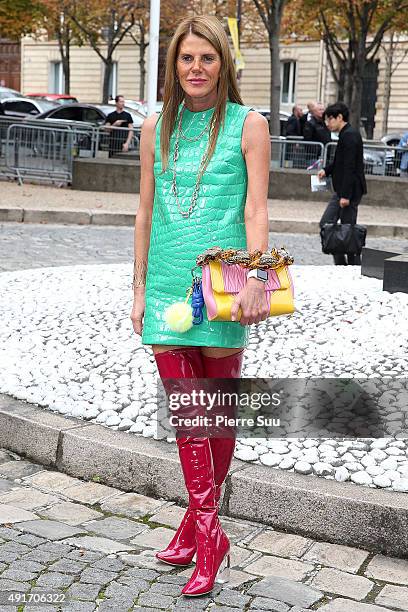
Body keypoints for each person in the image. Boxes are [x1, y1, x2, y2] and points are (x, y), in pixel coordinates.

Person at [130, 15, 270, 597]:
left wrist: (258, 278)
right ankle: (212, 537)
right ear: (173, 65)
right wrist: (138, 287)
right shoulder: (155, 127)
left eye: (206, 58)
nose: (196, 69)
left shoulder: (249, 125)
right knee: (191, 417)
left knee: (217, 419)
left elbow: (256, 211)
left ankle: (194, 523)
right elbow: (144, 211)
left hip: (224, 282)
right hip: (166, 283)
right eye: (186, 59)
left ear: (224, 63)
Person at [318, 101, 367, 265]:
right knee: (329, 224)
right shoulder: (346, 134)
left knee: (347, 228)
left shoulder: (350, 135)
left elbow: (350, 168)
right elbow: (340, 162)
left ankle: (353, 264)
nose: (327, 123)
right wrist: (327, 170)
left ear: (339, 117)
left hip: (349, 191)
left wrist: (345, 195)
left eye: (329, 119)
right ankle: (342, 262)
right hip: (342, 190)